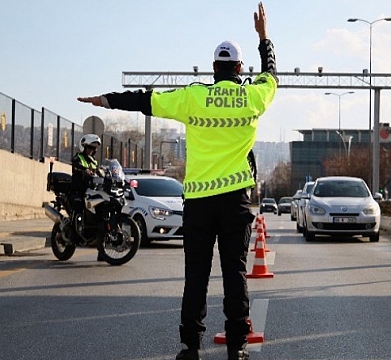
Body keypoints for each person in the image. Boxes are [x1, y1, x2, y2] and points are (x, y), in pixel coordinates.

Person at [77, 3, 276, 359]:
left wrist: (106, 99)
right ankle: (238, 347)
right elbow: (272, 75)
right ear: (240, 68)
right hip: (236, 203)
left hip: (199, 203)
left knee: (195, 276)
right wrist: (264, 38)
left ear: (214, 68)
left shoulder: (193, 96)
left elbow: (145, 100)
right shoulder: (253, 97)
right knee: (236, 274)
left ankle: (189, 347)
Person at [70, 133, 101, 216]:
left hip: (92, 189)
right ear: (84, 147)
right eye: (89, 147)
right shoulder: (78, 157)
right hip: (79, 189)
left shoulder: (94, 161)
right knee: (78, 205)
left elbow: (98, 171)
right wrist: (85, 169)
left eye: (93, 148)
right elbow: (75, 163)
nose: (91, 150)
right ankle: (75, 225)